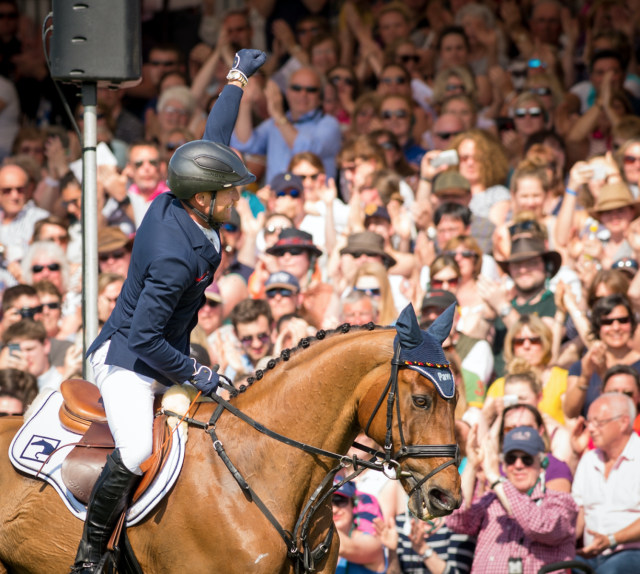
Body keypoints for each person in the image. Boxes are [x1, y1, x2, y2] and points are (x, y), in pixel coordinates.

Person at [72, 48, 267, 573]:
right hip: (128, 362)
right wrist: (198, 371)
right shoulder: (172, 256)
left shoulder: (184, 196)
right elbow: (142, 338)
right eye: (230, 194)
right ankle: (92, 555)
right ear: (203, 199)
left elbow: (214, 139)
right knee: (137, 451)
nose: (237, 200)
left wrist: (237, 78)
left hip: (164, 347)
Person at [447, 426, 578, 574]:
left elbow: (540, 526)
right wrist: (472, 464)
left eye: (527, 459)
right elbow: (456, 520)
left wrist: (495, 478)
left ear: (542, 463)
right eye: (511, 458)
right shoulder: (491, 500)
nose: (518, 465)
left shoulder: (561, 501)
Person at [232, 67, 342, 183]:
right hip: (277, 199)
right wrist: (245, 103)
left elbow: (305, 151)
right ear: (287, 92)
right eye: (296, 88)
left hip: (315, 199)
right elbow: (243, 145)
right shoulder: (273, 123)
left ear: (321, 96)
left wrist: (279, 116)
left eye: (311, 90)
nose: (303, 94)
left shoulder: (329, 124)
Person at [572, 393, 640, 573]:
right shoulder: (588, 460)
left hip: (632, 552)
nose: (591, 429)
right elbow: (577, 514)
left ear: (623, 422)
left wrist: (612, 539)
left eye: (598, 422)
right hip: (589, 555)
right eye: (588, 423)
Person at [565, 294, 640, 419]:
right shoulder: (582, 366)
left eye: (623, 320)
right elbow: (570, 413)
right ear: (597, 327)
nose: (616, 328)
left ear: (632, 323)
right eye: (607, 322)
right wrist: (585, 377)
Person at [485, 314, 570, 426]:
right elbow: (481, 426)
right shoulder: (500, 385)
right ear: (512, 346)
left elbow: (571, 428)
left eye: (534, 340)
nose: (526, 346)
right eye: (519, 341)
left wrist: (531, 411)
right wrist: (493, 412)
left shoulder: (563, 379)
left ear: (545, 343)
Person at [333, 480, 387, 574]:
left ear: (353, 505)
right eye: (326, 504)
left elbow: (343, 547)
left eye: (339, 500)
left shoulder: (372, 541)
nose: (334, 509)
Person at [0, 163, 49, 262]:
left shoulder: (41, 219)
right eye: (7, 190)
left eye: (20, 189)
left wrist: (3, 251)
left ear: (29, 189)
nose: (14, 195)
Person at [0, 319, 62, 392]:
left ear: (46, 346)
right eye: (18, 351)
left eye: (29, 349)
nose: (24, 356)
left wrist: (25, 377)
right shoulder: (7, 382)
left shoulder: (61, 381)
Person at [229, 298, 274, 378]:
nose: (256, 344)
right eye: (247, 338)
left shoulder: (286, 356)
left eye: (262, 336)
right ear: (235, 334)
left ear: (272, 327)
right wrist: (240, 373)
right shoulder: (232, 368)